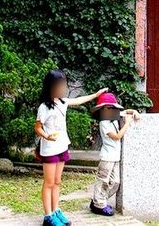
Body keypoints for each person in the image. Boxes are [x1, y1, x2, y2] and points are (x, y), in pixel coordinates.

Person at [34, 70, 107, 226]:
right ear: (50, 87)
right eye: (60, 85)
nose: (63, 88)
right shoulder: (44, 107)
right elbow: (38, 128)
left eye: (64, 85)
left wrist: (96, 95)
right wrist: (46, 136)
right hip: (49, 149)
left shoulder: (63, 102)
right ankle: (48, 216)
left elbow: (80, 100)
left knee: (58, 181)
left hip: (62, 147)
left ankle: (56, 210)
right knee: (49, 183)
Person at [89, 91, 140, 217]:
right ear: (102, 110)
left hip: (115, 157)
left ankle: (98, 200)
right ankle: (99, 204)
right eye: (107, 107)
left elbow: (127, 111)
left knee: (115, 182)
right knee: (103, 180)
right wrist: (127, 123)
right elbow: (117, 136)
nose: (110, 110)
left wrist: (135, 112)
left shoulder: (114, 117)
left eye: (112, 107)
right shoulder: (104, 123)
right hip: (107, 157)